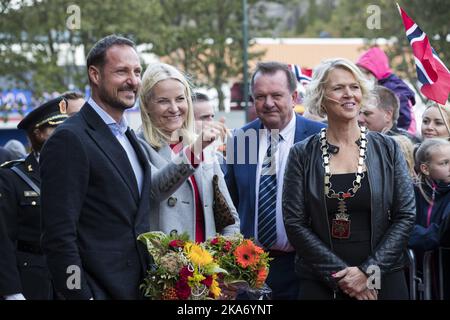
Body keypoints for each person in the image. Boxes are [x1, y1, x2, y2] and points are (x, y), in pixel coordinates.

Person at [283, 58, 415, 300]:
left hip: (383, 277)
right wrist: (342, 278)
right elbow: (294, 222)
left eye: (354, 87)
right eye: (338, 88)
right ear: (321, 97)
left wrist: (368, 273)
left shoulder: (388, 149)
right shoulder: (301, 153)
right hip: (321, 281)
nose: (348, 94)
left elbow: (405, 215)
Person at [39, 35, 151, 300]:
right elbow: (58, 236)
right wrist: (79, 296)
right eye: (121, 71)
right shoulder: (70, 139)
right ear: (95, 75)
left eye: (137, 71)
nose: (133, 80)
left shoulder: (129, 138)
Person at [224, 61, 326, 299]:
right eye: (260, 96)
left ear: (294, 97)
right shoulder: (242, 139)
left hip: (304, 267)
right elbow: (231, 204)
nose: (268, 103)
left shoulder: (318, 137)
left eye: (276, 95)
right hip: (249, 268)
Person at [137, 62, 240, 242]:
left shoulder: (201, 145)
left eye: (180, 99)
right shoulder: (137, 145)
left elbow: (230, 217)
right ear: (146, 105)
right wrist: (196, 149)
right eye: (163, 101)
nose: (174, 108)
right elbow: (154, 191)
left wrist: (225, 256)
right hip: (165, 264)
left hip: (208, 263)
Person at [0, 97, 68, 300]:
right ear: (37, 133)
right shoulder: (11, 177)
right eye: (55, 130)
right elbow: (3, 239)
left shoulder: (74, 171)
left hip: (69, 274)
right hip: (31, 277)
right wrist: (11, 292)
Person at [408, 138, 450, 299]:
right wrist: (430, 236)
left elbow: (444, 233)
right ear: (425, 168)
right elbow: (401, 227)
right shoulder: (411, 192)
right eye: (445, 163)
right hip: (417, 276)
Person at [356, 47, 417, 134]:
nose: (362, 77)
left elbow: (405, 119)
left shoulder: (395, 89)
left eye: (365, 73)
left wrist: (399, 138)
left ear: (375, 71)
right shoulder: (380, 85)